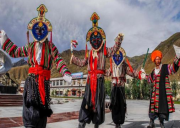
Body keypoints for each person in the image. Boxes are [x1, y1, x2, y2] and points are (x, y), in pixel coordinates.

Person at [0, 4, 72, 128]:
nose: (39, 32)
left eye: (42, 30)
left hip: (44, 82)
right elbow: (16, 51)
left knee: (42, 114)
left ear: (46, 31)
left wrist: (65, 72)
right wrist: (5, 41)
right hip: (31, 82)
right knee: (30, 111)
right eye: (37, 30)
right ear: (34, 31)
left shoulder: (51, 47)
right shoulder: (31, 47)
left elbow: (58, 60)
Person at [70, 12, 123, 128]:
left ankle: (96, 125)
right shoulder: (89, 53)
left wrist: (118, 40)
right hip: (90, 81)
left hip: (99, 81)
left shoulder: (104, 52)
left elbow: (114, 49)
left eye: (97, 38)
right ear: (91, 41)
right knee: (87, 101)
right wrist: (73, 58)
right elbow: (83, 63)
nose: (95, 41)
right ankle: (82, 122)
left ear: (101, 40)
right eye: (93, 39)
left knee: (99, 103)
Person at [140, 48, 180, 128]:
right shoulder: (153, 71)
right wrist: (144, 75)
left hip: (163, 93)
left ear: (160, 59)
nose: (157, 61)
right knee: (153, 109)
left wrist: (178, 58)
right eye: (156, 59)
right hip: (155, 94)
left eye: (158, 59)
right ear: (154, 60)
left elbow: (173, 68)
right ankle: (151, 123)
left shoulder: (165, 67)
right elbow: (149, 79)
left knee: (162, 109)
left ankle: (162, 123)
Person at [105, 47, 139, 128]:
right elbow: (107, 73)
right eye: (115, 55)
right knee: (114, 105)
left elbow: (132, 72)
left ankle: (120, 122)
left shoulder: (124, 65)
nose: (117, 57)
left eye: (119, 56)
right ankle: (116, 122)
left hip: (121, 87)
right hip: (114, 87)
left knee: (121, 105)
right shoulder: (112, 65)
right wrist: (99, 70)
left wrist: (140, 74)